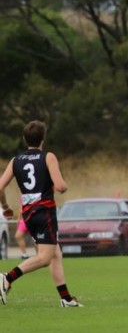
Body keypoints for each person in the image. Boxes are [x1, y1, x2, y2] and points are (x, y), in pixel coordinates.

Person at [0, 120, 82, 307]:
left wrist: (5, 207)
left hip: (29, 214)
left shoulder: (15, 160)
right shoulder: (48, 157)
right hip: (44, 212)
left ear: (24, 138)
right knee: (45, 258)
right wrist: (65, 185)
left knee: (55, 254)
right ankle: (7, 278)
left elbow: (0, 187)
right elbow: (60, 186)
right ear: (43, 139)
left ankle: (66, 298)